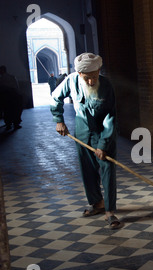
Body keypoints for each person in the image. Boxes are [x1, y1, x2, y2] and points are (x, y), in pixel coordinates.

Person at [50, 53, 121, 229]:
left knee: (107, 170)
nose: (91, 82)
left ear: (99, 71)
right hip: (82, 133)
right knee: (87, 170)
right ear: (80, 74)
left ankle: (110, 212)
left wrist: (103, 144)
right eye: (87, 78)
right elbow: (55, 98)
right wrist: (59, 120)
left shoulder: (106, 85)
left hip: (104, 133)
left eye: (94, 77)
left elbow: (110, 116)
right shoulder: (71, 81)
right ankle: (97, 203)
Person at [0, 65, 23, 130]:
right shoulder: (12, 77)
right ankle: (16, 123)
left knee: (7, 111)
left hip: (6, 97)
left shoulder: (0, 80)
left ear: (1, 71)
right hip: (14, 96)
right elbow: (17, 87)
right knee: (15, 110)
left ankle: (8, 124)